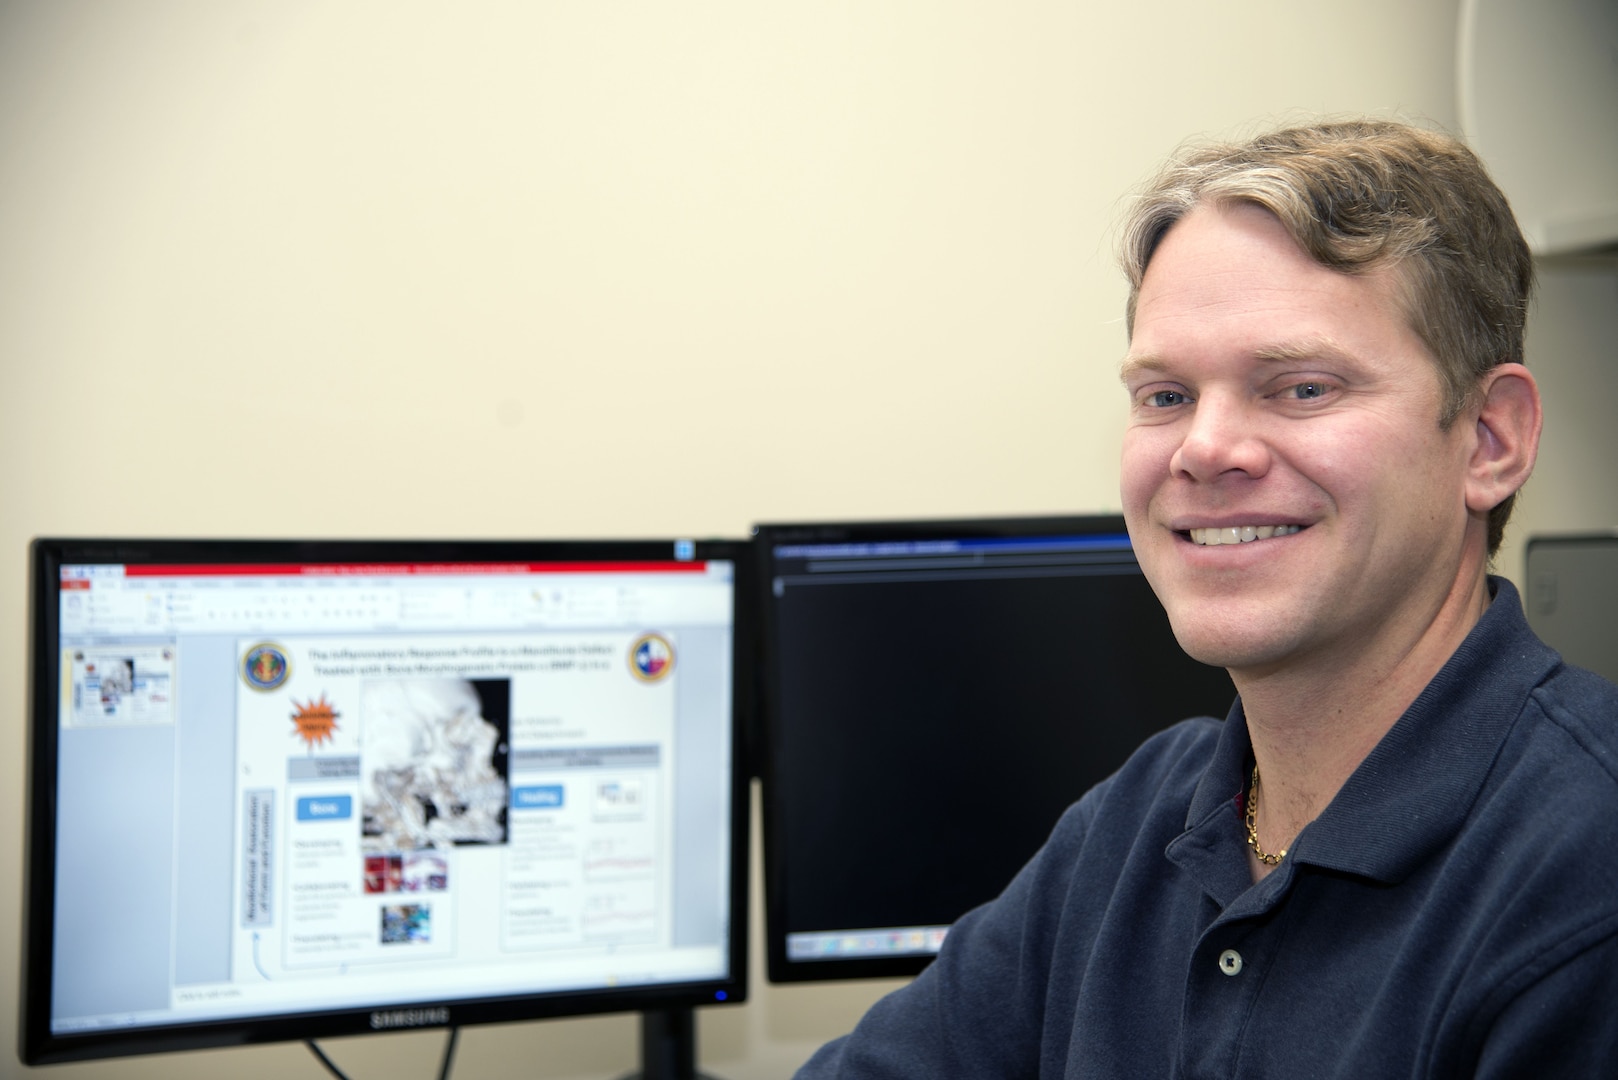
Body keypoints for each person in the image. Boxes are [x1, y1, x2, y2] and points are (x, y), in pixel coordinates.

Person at [794, 119, 1618, 1078]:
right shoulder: (1148, 818)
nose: (1203, 447)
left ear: (1488, 440)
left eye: (1301, 388)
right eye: (1166, 395)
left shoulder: (1582, 876)